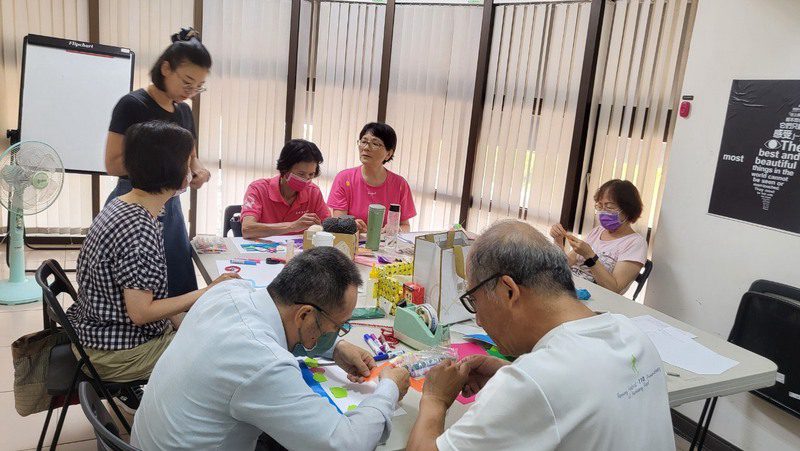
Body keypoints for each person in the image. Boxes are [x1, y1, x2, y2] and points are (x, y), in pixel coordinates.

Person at [406, 220, 674, 451]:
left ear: (508, 290)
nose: (478, 320)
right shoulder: (632, 334)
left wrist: (435, 399)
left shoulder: (534, 381)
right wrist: (511, 373)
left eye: (475, 302)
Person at [131, 247, 411, 450]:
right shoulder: (263, 363)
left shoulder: (226, 292)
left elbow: (278, 328)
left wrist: (334, 347)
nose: (336, 333)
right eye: (337, 326)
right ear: (304, 315)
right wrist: (388, 390)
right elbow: (346, 443)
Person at [66, 121, 238, 408]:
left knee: (203, 327)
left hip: (97, 332)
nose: (192, 170)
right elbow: (141, 312)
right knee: (224, 350)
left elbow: (144, 296)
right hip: (117, 351)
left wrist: (180, 318)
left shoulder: (124, 204)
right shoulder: (139, 227)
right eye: (188, 162)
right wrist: (209, 290)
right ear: (172, 171)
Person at [104, 27, 212, 298]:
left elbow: (192, 157)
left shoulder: (184, 111)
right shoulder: (132, 105)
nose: (191, 92)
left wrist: (198, 171)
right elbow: (113, 164)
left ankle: (176, 335)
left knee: (178, 280)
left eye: (199, 86)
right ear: (166, 68)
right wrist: (163, 166)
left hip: (170, 206)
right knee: (136, 290)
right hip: (135, 202)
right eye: (187, 82)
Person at [550, 179, 648, 294]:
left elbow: (614, 289)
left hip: (594, 299)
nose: (603, 212)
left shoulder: (635, 243)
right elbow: (564, 267)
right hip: (569, 288)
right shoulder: (598, 231)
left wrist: (589, 255)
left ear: (628, 210)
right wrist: (558, 241)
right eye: (600, 206)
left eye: (610, 207)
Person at [328, 122, 416, 233]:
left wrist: (394, 230)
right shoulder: (344, 178)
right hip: (353, 243)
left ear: (388, 153)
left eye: (375, 143)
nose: (366, 148)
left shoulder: (400, 184)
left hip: (384, 246)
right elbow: (338, 221)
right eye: (363, 141)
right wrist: (351, 225)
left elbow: (405, 226)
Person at [240, 139, 331, 239]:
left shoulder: (313, 192)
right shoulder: (258, 189)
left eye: (311, 174)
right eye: (301, 174)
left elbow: (329, 227)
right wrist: (292, 226)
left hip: (300, 253)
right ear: (285, 169)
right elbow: (247, 230)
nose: (306, 179)